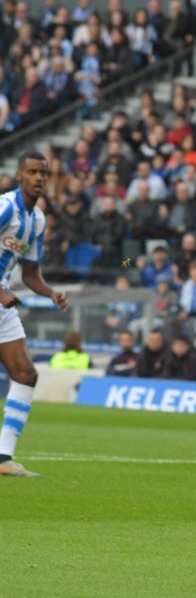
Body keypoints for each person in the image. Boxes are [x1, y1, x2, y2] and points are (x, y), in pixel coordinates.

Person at [0, 151, 69, 477]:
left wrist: (50, 292)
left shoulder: (38, 220)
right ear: (19, 176)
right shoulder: (6, 208)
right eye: (32, 172)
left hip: (2, 304)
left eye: (44, 172)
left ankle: (3, 458)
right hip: (0, 296)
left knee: (26, 374)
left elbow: (30, 274)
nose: (39, 177)